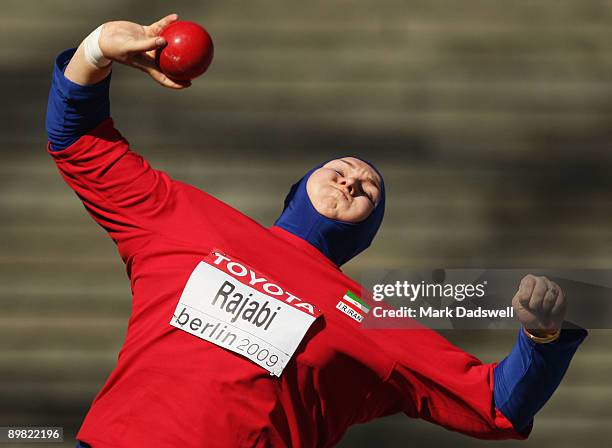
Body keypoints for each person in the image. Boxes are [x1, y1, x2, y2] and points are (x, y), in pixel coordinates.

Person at [45, 14, 588, 448]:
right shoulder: (186, 219)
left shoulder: (372, 319)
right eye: (341, 170)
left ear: (367, 233)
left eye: (370, 190)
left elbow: (496, 403)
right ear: (298, 188)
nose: (354, 181)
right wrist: (95, 50)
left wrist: (543, 338)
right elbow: (79, 143)